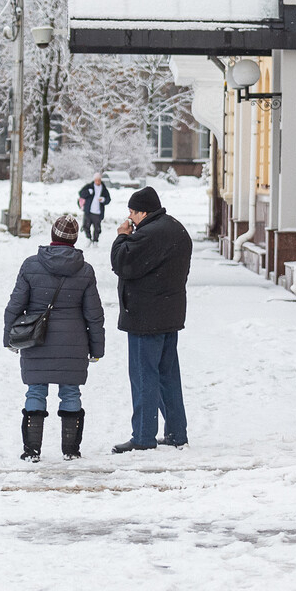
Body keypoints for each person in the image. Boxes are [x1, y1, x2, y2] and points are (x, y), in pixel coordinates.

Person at [2, 213, 105, 462]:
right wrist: (97, 348)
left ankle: (31, 451)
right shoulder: (85, 270)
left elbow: (15, 306)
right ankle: (70, 450)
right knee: (70, 392)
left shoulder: (31, 265)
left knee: (36, 391)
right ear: (75, 239)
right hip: (74, 343)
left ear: (52, 236)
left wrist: (9, 338)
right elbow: (94, 315)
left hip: (37, 339)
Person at [108, 186, 193, 453]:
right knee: (168, 375)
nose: (130, 217)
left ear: (144, 212)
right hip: (169, 314)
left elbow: (123, 263)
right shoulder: (175, 228)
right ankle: (177, 433)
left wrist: (122, 237)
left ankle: (143, 436)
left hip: (146, 318)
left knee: (144, 376)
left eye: (132, 212)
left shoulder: (148, 235)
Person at [76, 172, 112, 243]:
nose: (97, 181)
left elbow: (108, 199)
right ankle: (88, 238)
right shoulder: (89, 186)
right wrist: (88, 192)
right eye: (96, 180)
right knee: (86, 226)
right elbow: (81, 194)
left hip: (98, 212)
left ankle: (95, 241)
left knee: (97, 228)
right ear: (94, 180)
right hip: (88, 211)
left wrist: (103, 200)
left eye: (99, 180)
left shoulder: (103, 188)